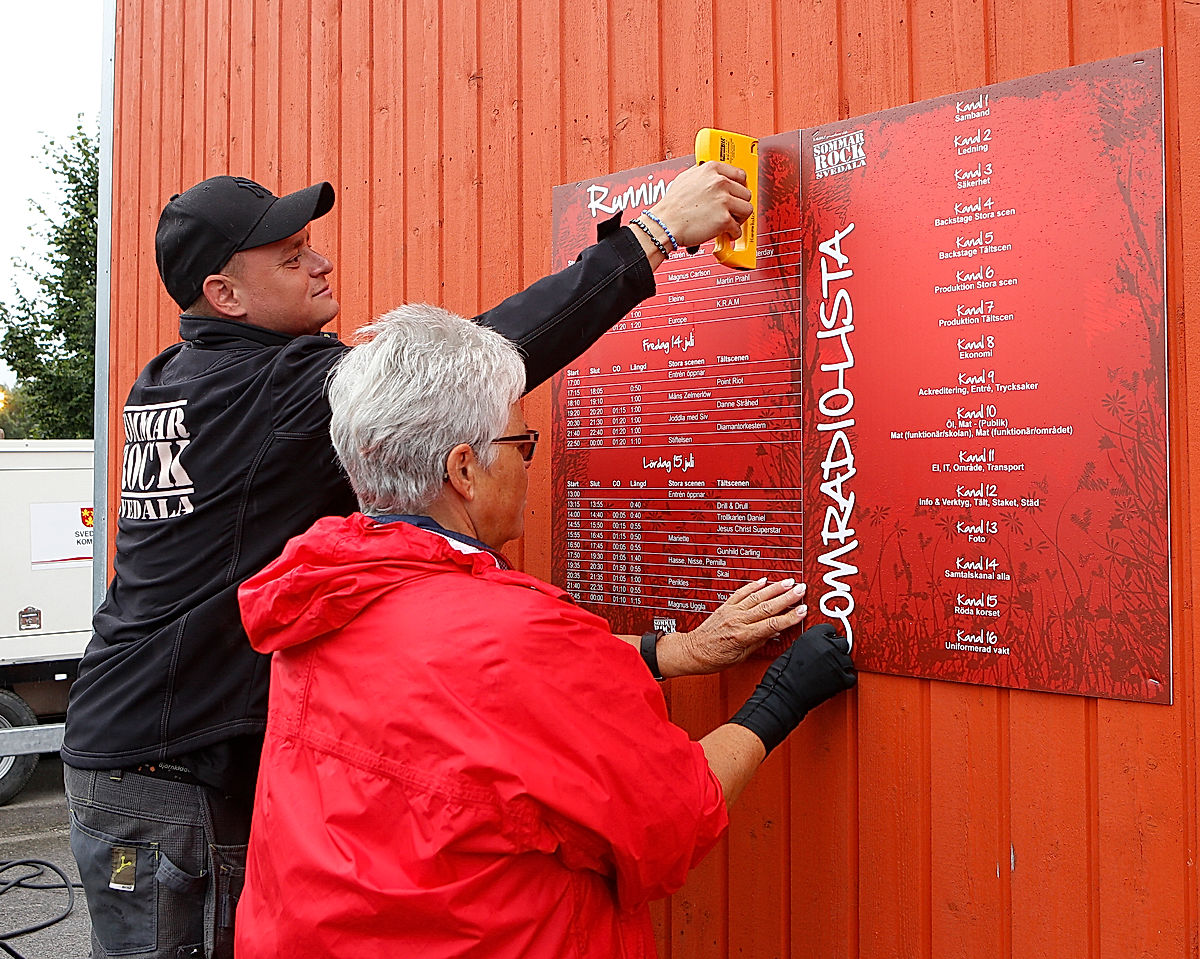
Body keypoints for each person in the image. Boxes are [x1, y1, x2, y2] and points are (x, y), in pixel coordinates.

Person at [58, 164, 801, 959]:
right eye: (289, 256)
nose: (320, 264)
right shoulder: (271, 393)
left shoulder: (172, 380)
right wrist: (651, 237)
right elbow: (465, 368)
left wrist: (669, 652)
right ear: (226, 295)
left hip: (138, 745)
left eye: (312, 245)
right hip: (170, 776)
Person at [233, 305, 857, 958]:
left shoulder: (322, 594)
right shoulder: (513, 632)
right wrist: (782, 696)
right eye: (522, 444)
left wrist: (680, 652)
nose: (531, 463)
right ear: (464, 470)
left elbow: (478, 702)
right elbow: (676, 811)